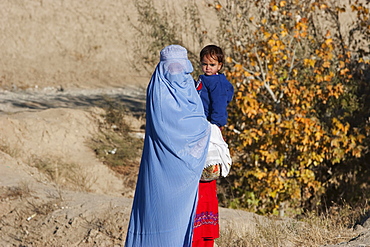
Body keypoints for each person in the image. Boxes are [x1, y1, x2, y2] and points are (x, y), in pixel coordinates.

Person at [125, 45, 212, 247]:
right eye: (171, 68)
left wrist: (205, 130)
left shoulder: (188, 86)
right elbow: (169, 127)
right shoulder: (159, 91)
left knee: (183, 222)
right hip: (161, 166)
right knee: (158, 215)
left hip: (186, 171)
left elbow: (197, 118)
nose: (177, 72)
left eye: (181, 68)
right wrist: (206, 131)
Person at [192, 45, 234, 247]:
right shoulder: (205, 79)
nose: (207, 68)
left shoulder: (215, 82)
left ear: (220, 65)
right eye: (204, 64)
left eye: (212, 64)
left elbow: (219, 105)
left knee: (208, 165)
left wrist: (216, 126)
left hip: (209, 125)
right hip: (203, 124)